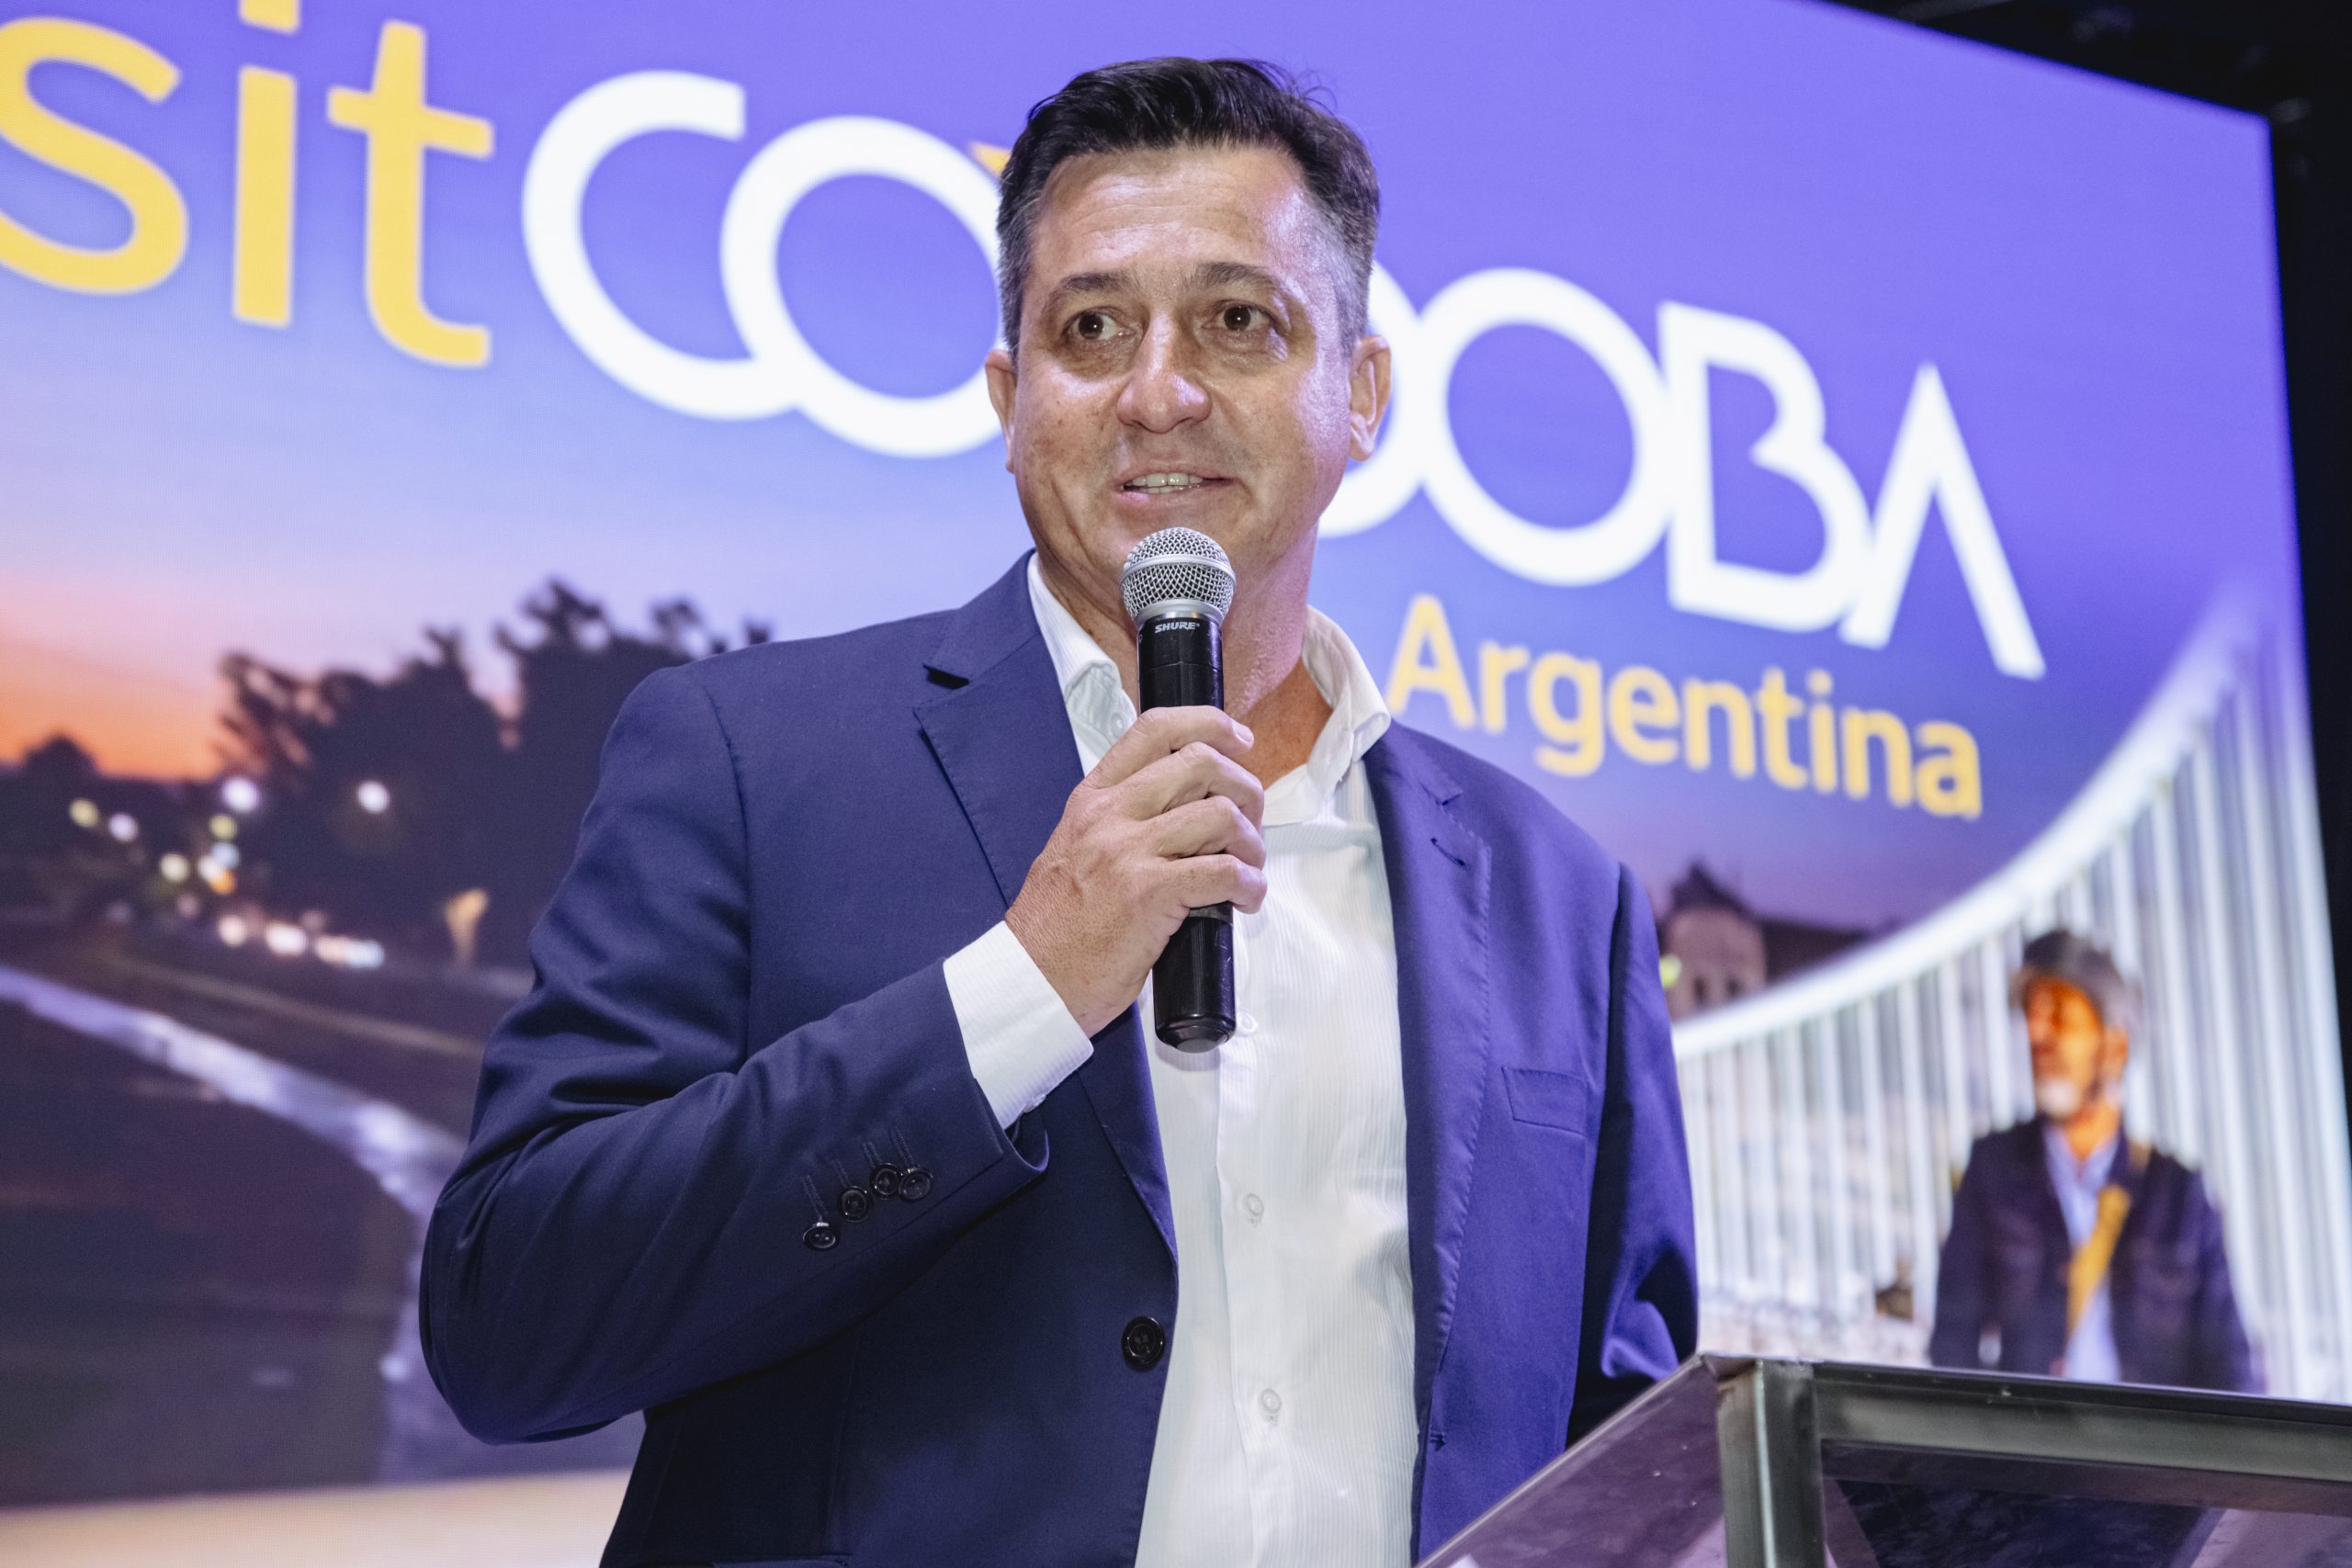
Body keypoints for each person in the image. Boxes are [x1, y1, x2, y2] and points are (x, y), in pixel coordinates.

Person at [421, 58, 1696, 1568]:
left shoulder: (1562, 897)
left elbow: (1636, 1459)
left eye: (1239, 321)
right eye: (1092, 329)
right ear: (1011, 401)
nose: (1161, 391)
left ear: (1360, 393)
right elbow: (511, 1315)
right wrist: (1024, 989)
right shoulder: (746, 760)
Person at [1928, 930, 2256, 1392]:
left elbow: (2229, 1363)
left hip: (2146, 1436)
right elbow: (1953, 1341)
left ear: (2114, 1046)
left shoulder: (2178, 1194)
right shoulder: (1993, 1168)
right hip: (2032, 1433)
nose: (2037, 1035)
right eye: (2032, 1017)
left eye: (2060, 1015)